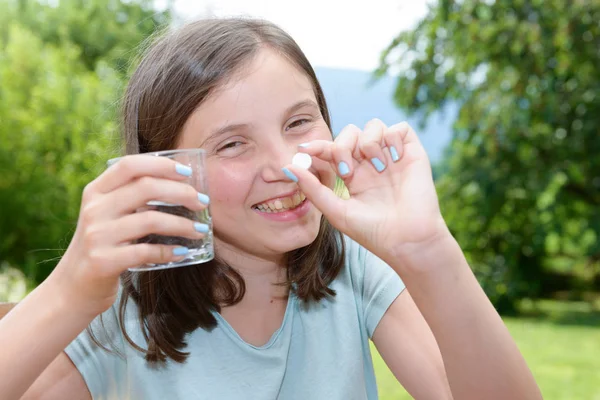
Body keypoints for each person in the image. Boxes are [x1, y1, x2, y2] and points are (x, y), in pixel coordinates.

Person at [0, 18, 542, 400]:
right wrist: (67, 293)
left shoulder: (353, 267)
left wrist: (429, 253)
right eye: (233, 144)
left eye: (299, 122)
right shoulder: (116, 313)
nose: (287, 165)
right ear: (166, 170)